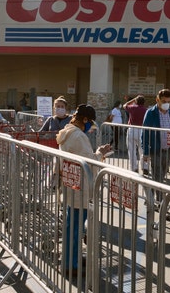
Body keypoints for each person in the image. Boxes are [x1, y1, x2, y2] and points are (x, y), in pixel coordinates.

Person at [56, 104, 111, 277]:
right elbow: (89, 163)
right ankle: (70, 264)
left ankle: (71, 258)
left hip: (71, 185)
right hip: (80, 188)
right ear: (85, 120)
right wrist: (100, 152)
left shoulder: (67, 131)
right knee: (75, 229)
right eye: (90, 122)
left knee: (71, 226)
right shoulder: (78, 136)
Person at [142, 89, 170, 201]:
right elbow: (145, 132)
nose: (166, 104)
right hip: (155, 149)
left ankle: (150, 196)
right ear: (157, 100)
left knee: (160, 175)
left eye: (168, 101)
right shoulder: (151, 113)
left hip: (167, 149)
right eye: (163, 101)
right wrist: (146, 152)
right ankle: (160, 202)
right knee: (157, 175)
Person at [124, 95, 148, 173]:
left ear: (136, 102)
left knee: (131, 150)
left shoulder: (132, 108)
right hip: (142, 130)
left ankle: (134, 167)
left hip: (132, 129)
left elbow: (125, 105)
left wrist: (133, 100)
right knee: (143, 150)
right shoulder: (146, 110)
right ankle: (145, 167)